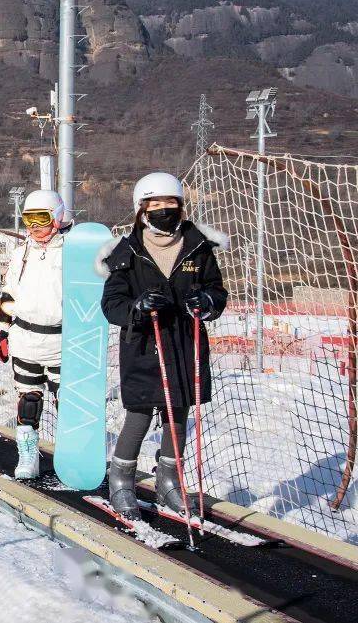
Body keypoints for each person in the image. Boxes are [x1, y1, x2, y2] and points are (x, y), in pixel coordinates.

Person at [100, 172, 228, 519]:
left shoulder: (197, 247)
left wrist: (208, 301)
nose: (163, 211)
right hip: (144, 346)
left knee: (178, 416)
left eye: (170, 204)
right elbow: (112, 304)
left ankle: (169, 480)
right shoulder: (126, 252)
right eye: (155, 205)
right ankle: (121, 480)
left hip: (184, 344)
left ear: (181, 207)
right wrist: (137, 308)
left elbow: (217, 291)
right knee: (139, 416)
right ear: (141, 210)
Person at [0, 189, 68, 479]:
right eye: (29, 220)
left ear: (57, 218)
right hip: (25, 339)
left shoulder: (73, 251)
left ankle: (69, 455)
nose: (35, 227)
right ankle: (28, 456)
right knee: (28, 401)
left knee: (67, 403)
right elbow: (8, 295)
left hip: (62, 340)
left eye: (42, 219)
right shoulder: (20, 253)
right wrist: (1, 333)